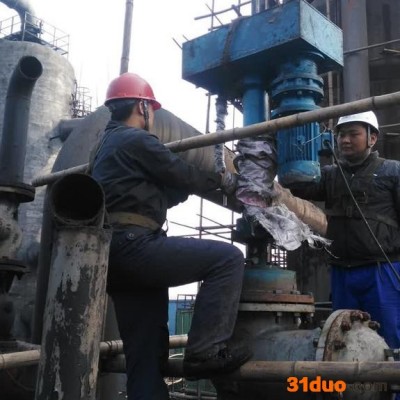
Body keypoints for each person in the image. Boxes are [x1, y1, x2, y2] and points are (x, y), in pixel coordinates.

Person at [91, 72, 251, 400]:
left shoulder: (104, 148)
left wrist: (185, 188)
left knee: (145, 359)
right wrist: (221, 181)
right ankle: (205, 351)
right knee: (228, 259)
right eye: (151, 108)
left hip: (114, 257)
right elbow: (181, 173)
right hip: (136, 247)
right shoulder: (136, 140)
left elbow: (161, 193)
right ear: (142, 106)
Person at [289, 110, 400, 355]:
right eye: (341, 135)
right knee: (343, 342)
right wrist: (290, 147)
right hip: (342, 272)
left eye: (353, 134)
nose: (345, 140)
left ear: (372, 138)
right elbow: (297, 185)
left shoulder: (393, 171)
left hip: (382, 270)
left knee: (390, 340)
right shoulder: (329, 175)